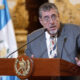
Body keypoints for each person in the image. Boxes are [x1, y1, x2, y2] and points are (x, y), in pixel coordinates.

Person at [26, 2, 80, 80]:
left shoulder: (75, 31)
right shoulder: (32, 38)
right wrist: (31, 65)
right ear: (41, 21)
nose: (51, 22)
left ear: (59, 16)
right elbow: (27, 65)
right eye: (46, 18)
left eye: (53, 16)